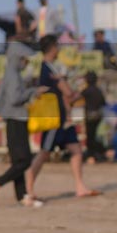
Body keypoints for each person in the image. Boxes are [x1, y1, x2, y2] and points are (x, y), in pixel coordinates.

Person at [25, 35, 100, 201]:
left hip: (64, 118)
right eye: (57, 46)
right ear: (52, 47)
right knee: (44, 153)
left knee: (76, 150)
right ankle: (28, 188)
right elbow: (67, 92)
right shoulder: (48, 68)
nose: (59, 49)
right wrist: (72, 87)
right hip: (55, 118)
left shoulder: (51, 67)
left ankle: (80, 186)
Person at [0, 36, 45, 208]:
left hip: (15, 118)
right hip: (15, 119)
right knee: (24, 160)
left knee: (18, 160)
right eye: (24, 59)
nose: (26, 63)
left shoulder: (13, 74)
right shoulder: (12, 75)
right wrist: (33, 91)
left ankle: (22, 196)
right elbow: (14, 98)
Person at [79, 72, 106, 163]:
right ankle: (98, 153)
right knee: (95, 135)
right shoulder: (98, 90)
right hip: (98, 115)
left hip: (90, 116)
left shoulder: (87, 90)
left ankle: (92, 154)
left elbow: (76, 98)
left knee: (90, 136)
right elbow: (103, 103)